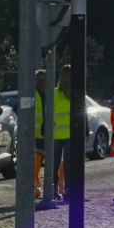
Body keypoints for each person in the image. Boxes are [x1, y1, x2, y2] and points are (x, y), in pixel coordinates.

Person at [32, 66, 72, 204]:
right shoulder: (75, 94)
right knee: (66, 164)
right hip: (68, 134)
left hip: (55, 134)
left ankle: (54, 192)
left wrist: (45, 127)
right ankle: (67, 191)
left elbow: (48, 114)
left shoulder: (54, 94)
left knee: (54, 164)